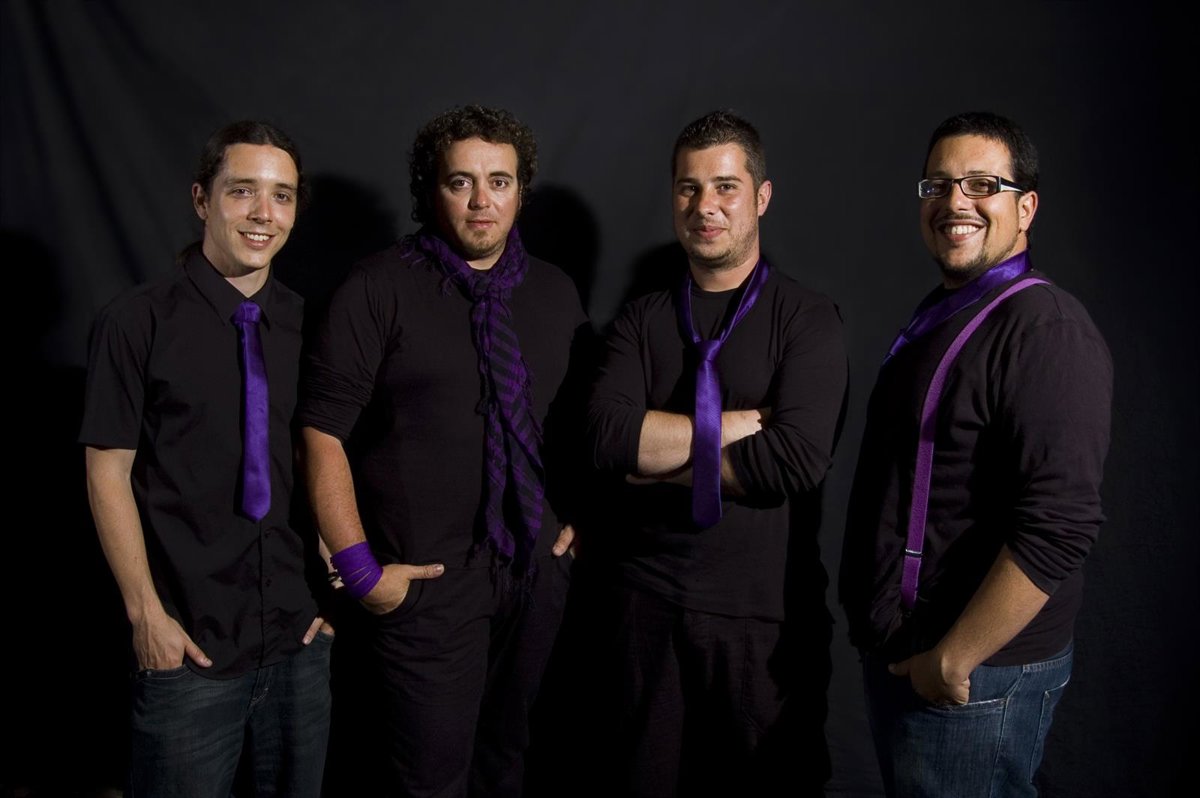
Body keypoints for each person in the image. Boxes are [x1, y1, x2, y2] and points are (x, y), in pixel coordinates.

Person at [299, 105, 588, 797]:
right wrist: (360, 572)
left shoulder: (555, 292)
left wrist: (585, 515)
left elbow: (582, 422)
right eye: (461, 182)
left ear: (521, 191)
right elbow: (320, 432)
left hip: (533, 574)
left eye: (499, 181)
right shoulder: (377, 287)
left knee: (507, 764)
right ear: (432, 190)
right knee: (428, 782)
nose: (482, 200)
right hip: (426, 583)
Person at [839, 111, 1113, 797]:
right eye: (938, 184)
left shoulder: (1046, 330)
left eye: (982, 185)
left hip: (975, 678)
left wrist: (954, 659)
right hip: (913, 657)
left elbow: (1060, 526)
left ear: (1027, 207)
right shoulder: (949, 312)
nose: (954, 201)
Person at [586, 110, 848, 796]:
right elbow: (607, 438)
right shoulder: (641, 319)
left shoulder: (808, 319)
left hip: (764, 621)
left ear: (761, 197)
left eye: (726, 187)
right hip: (643, 608)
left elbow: (793, 461)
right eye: (689, 188)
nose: (706, 206)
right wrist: (734, 426)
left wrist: (652, 467)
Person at [80, 120, 332, 797]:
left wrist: (331, 593)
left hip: (297, 644)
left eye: (282, 196)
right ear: (202, 199)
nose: (263, 213)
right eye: (242, 190)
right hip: (187, 646)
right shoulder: (136, 321)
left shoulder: (309, 325)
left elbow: (317, 459)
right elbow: (107, 471)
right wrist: (146, 617)